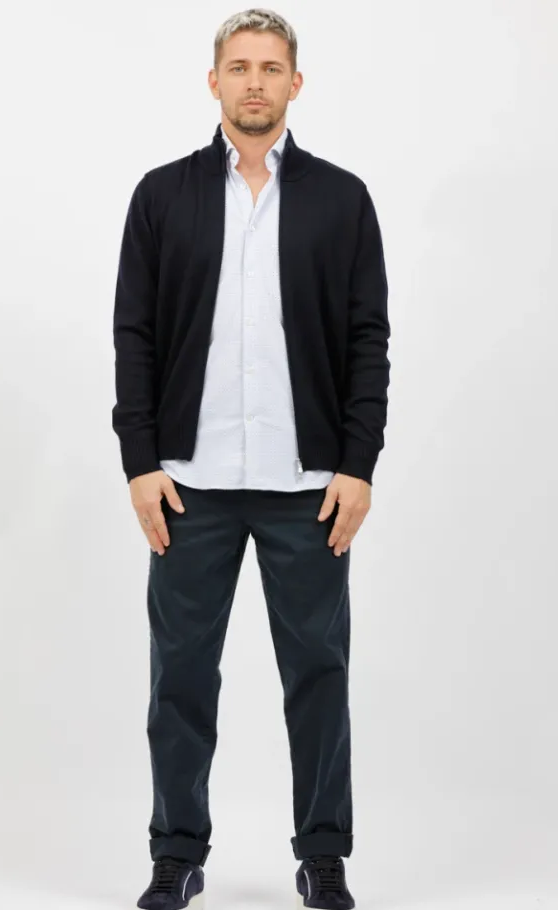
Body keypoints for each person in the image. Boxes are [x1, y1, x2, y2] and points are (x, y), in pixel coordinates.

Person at [111, 9, 390, 909]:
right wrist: (141, 461)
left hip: (308, 488)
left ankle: (324, 856)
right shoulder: (162, 196)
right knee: (180, 678)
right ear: (214, 82)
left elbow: (368, 339)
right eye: (240, 66)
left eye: (272, 67)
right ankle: (176, 852)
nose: (256, 82)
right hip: (187, 486)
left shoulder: (342, 199)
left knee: (318, 675)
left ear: (295, 83)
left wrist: (358, 465)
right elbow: (135, 335)